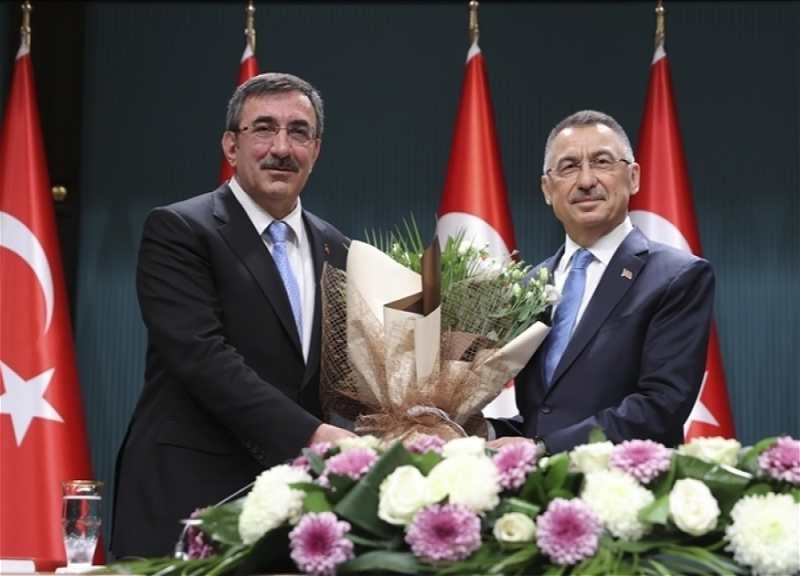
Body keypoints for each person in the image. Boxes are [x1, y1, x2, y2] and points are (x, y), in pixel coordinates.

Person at [110, 73, 357, 559]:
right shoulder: (180, 230)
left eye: (299, 132)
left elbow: (346, 371)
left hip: (294, 510)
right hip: (190, 500)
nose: (281, 148)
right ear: (230, 145)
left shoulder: (338, 248)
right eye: (263, 129)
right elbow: (202, 357)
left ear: (316, 150)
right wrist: (312, 435)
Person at [487, 110, 714, 455]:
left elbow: (661, 405)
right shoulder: (530, 287)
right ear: (547, 189)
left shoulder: (677, 276)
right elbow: (545, 416)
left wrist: (544, 447)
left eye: (602, 162)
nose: (586, 180)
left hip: (627, 482)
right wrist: (478, 431)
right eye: (568, 167)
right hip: (534, 486)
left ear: (633, 177)